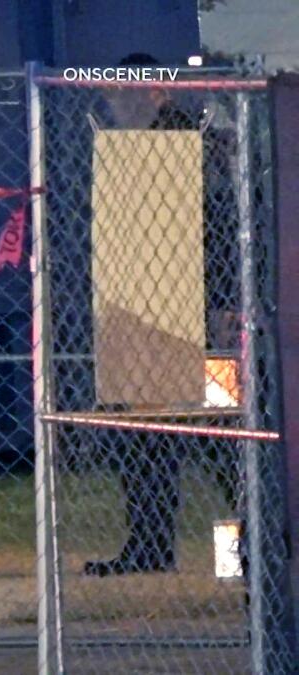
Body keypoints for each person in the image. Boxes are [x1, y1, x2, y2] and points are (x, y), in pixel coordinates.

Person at [81, 53, 242, 577]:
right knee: (143, 439)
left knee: (219, 435)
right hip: (140, 313)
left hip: (189, 311)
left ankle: (241, 545)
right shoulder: (125, 148)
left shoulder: (188, 146)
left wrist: (221, 303)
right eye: (114, 95)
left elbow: (218, 232)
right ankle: (150, 544)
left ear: (157, 92)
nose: (117, 104)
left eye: (127, 93)